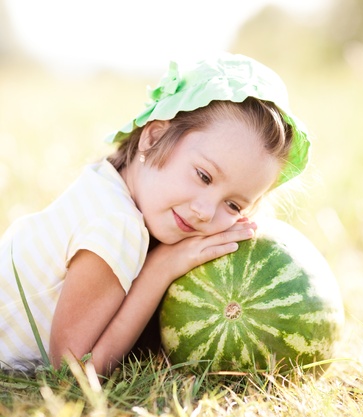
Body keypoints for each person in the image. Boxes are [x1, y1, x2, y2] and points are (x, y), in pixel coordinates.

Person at [0, 53, 310, 376]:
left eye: (233, 205)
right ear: (154, 136)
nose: (204, 212)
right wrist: (160, 270)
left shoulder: (107, 183)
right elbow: (72, 372)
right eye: (204, 176)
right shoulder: (118, 225)